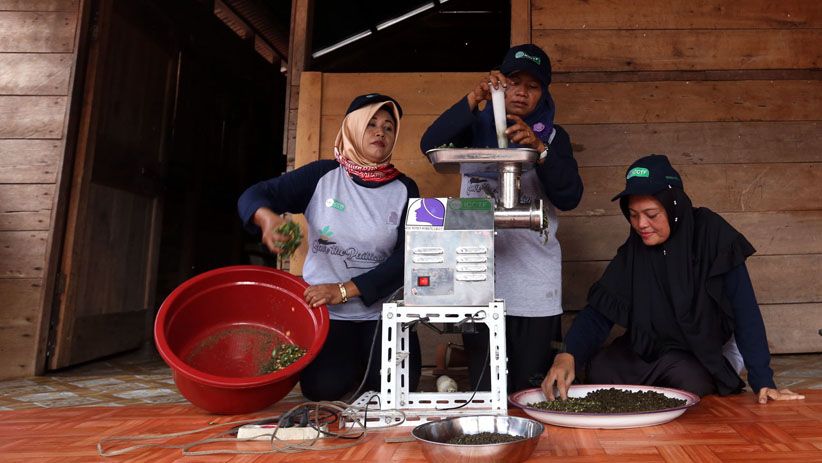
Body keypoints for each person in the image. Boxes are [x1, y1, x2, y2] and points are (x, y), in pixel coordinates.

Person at [541, 154, 805, 404]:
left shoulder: (712, 235)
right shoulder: (635, 249)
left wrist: (763, 381)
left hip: (698, 351)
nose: (641, 224)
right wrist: (568, 353)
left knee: (688, 382)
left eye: (651, 214)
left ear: (673, 205)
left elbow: (745, 310)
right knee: (601, 369)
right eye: (633, 215)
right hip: (651, 349)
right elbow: (599, 312)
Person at [419, 44, 583, 392]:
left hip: (535, 286)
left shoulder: (553, 137)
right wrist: (473, 97)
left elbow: (570, 196)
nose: (522, 91)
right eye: (513, 81)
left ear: (543, 93)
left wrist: (540, 149)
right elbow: (430, 143)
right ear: (498, 84)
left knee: (528, 389)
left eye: (533, 86)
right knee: (484, 386)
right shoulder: (469, 130)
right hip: (478, 279)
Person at [238, 93, 422, 401]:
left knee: (397, 391)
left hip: (382, 314)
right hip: (328, 316)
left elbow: (408, 257)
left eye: (389, 127)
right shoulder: (322, 176)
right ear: (352, 128)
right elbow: (255, 194)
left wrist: (345, 288)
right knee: (323, 389)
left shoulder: (404, 188)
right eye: (371, 124)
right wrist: (266, 218)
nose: (380, 132)